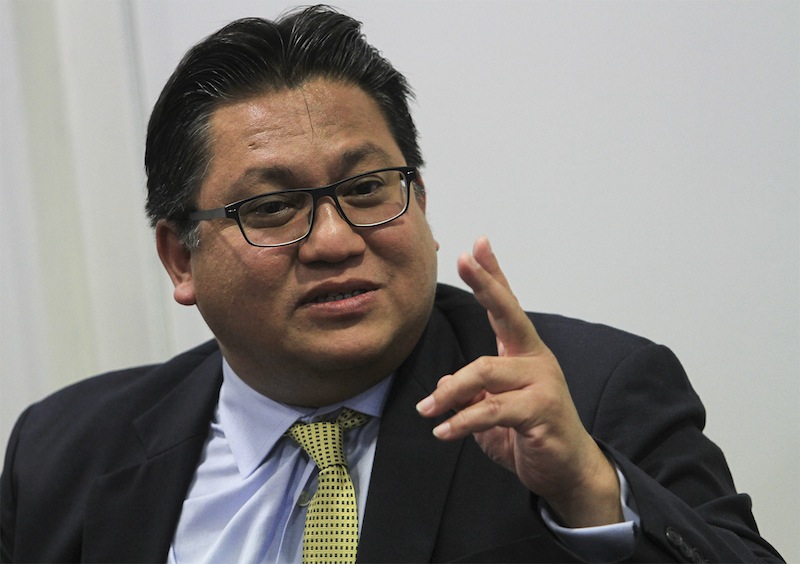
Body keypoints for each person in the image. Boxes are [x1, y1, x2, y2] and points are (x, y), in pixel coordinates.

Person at [0, 5, 783, 563]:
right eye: (274, 208)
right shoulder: (64, 450)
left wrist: (588, 490)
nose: (337, 240)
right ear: (180, 259)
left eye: (369, 188)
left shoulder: (587, 396)